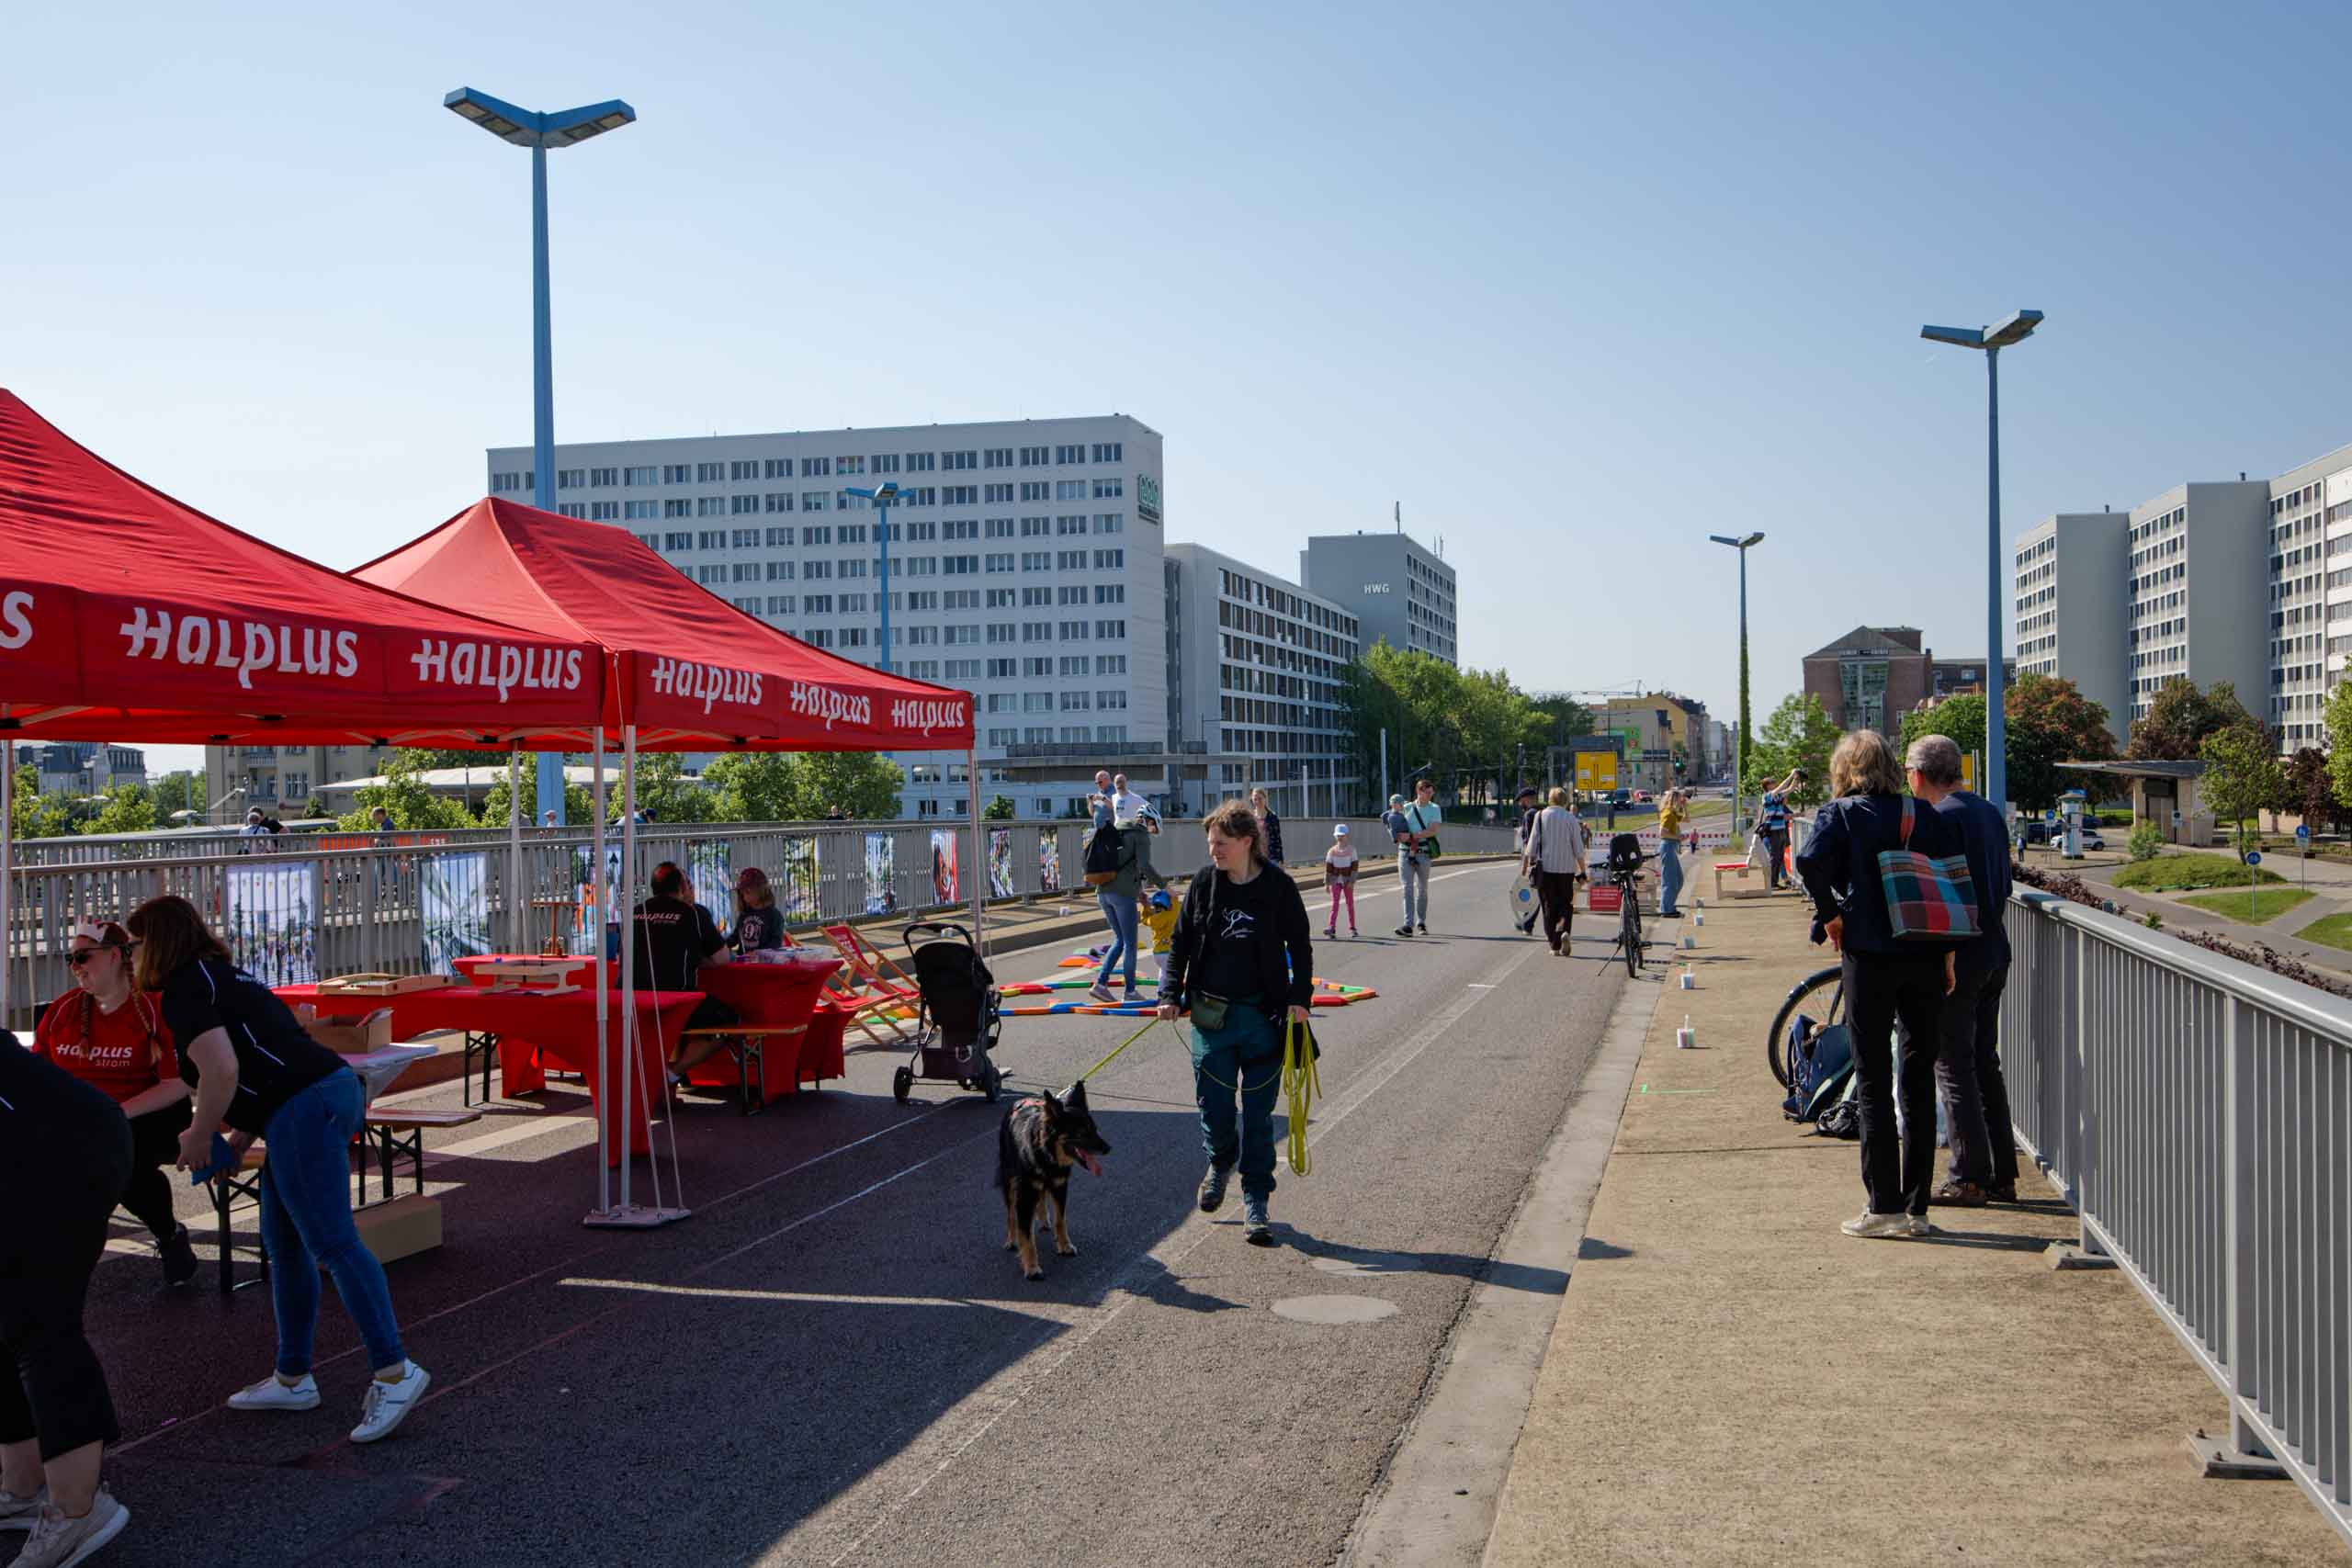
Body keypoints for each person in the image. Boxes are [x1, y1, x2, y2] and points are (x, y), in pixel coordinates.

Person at [124, 894, 429, 1442]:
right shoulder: (223, 976)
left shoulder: (186, 989)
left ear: (159, 943)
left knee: (332, 1243)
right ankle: (293, 1377)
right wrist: (241, 1134)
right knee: (286, 1247)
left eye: (135, 944)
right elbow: (269, 1056)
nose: (131, 956)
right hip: (316, 1095)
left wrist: (200, 1134)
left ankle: (395, 1371)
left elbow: (221, 1071)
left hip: (304, 1105)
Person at [1792, 733, 1974, 1240]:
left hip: (1869, 956)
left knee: (1873, 1078)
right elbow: (1948, 883)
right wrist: (1948, 954)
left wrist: (1831, 914)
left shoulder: (1842, 814)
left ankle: (1883, 1207)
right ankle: (1917, 1209)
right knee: (1917, 1078)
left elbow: (1809, 862)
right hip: (1925, 953)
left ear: (1846, 769)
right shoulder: (1925, 815)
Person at [0, 1031, 135, 1563]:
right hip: (32, 1145)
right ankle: (23, 1487)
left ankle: (78, 1510)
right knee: (8, 1316)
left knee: (42, 1323)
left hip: (68, 1149)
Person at [1159, 801, 1313, 1245]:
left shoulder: (1279, 886)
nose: (1214, 851)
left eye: (1222, 843)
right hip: (1211, 1016)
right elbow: (1180, 943)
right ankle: (1220, 1160)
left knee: (1260, 1117)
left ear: (1247, 841)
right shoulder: (1204, 883)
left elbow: (1300, 947)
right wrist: (1169, 994)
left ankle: (1256, 1201)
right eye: (1211, 844)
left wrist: (1299, 999)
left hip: (1264, 1018)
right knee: (1215, 1107)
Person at [30, 922, 198, 1289]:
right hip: (83, 1121)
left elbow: (178, 1083)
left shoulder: (154, 1009)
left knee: (116, 1161)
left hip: (148, 1117)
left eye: (82, 957)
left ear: (114, 956)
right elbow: (37, 1078)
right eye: (70, 959)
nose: (75, 967)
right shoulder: (62, 1011)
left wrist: (112, 1115)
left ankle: (167, 1235)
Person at [1906, 734, 2020, 1207]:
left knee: (1952, 1064)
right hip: (1995, 948)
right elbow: (2005, 882)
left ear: (1917, 775)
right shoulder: (1989, 813)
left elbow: (1936, 892)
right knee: (1984, 1061)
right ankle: (2002, 1174)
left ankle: (1969, 1176)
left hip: (1960, 956)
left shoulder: (1939, 819)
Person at [630, 863, 737, 1082]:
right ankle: (672, 1074)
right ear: (682, 887)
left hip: (632, 1001)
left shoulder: (635, 913)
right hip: (674, 1000)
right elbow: (722, 959)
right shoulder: (693, 914)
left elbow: (621, 958)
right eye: (689, 884)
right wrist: (697, 960)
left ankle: (660, 1076)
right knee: (727, 1020)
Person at [1087, 818, 1168, 1003]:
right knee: (1130, 944)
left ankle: (1100, 985)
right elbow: (1145, 866)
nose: (1152, 833)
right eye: (1153, 829)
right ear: (1149, 821)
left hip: (1103, 891)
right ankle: (1130, 992)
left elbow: (1125, 864)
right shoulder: (1140, 835)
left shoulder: (1117, 829)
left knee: (1119, 940)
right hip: (1122, 895)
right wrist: (1165, 886)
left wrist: (1138, 890)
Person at [1522, 787, 1589, 954]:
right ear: (1565, 801)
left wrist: (1526, 867)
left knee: (1549, 907)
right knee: (1565, 904)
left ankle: (1555, 944)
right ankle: (1564, 930)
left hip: (1546, 870)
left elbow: (1531, 846)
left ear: (1549, 799)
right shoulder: (1571, 818)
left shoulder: (1540, 816)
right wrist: (1583, 870)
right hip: (1566, 870)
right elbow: (1578, 848)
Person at [1394, 778, 1441, 936]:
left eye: (1431, 792)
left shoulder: (1434, 808)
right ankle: (1408, 925)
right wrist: (1397, 834)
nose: (1430, 795)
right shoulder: (1406, 808)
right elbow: (1397, 826)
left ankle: (1421, 922)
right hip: (1405, 852)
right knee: (1407, 888)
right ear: (1419, 791)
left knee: (1422, 889)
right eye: (1427, 792)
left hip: (1424, 853)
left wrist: (1413, 836)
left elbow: (1433, 830)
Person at [1758, 769, 1802, 890]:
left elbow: (1791, 788)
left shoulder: (1777, 795)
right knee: (1775, 857)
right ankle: (1772, 883)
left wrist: (1796, 778)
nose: (1775, 784)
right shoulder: (1767, 796)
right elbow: (1782, 787)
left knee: (1779, 857)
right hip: (1773, 830)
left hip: (1781, 828)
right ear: (1767, 786)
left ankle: (1774, 882)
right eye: (1772, 782)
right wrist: (1791, 775)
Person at [730, 867, 786, 956]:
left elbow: (776, 942)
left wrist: (759, 953)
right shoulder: (744, 914)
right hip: (744, 961)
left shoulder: (774, 915)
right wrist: (720, 946)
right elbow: (735, 937)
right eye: (742, 893)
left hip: (764, 962)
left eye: (747, 892)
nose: (744, 897)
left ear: (760, 890)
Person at [1322, 824, 1359, 938]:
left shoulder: (1352, 850)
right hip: (1335, 881)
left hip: (1348, 881)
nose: (1340, 838)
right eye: (1338, 835)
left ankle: (1352, 928)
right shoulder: (1332, 851)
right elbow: (1328, 868)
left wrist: (1352, 881)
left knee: (1350, 904)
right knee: (1335, 904)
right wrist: (1327, 883)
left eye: (1342, 835)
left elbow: (1355, 867)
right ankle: (1331, 928)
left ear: (1346, 835)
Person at [1657, 787, 1688, 918]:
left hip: (1671, 847)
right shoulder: (1668, 814)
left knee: (1678, 879)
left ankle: (1668, 906)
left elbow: (1686, 819)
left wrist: (1685, 807)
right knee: (1670, 880)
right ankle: (1667, 909)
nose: (1681, 801)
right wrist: (1678, 837)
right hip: (1668, 846)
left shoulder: (1673, 813)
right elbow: (1662, 833)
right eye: (1679, 799)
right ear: (1674, 800)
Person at [1250, 788, 1284, 868]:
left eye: (1260, 799)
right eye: (1255, 799)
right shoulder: (1250, 817)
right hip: (1256, 858)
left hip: (1272, 857)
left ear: (1265, 799)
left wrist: (1280, 861)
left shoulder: (1272, 817)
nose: (1257, 801)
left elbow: (1278, 840)